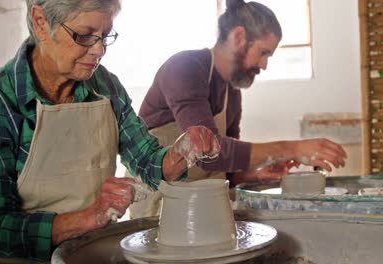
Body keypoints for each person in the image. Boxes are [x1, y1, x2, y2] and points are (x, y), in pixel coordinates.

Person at [0, 0, 220, 261]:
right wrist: (89, 217)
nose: (99, 49)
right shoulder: (4, 101)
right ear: (41, 22)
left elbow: (148, 163)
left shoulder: (106, 86)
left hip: (94, 253)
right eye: (84, 36)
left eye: (105, 36)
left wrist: (183, 152)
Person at [129, 0, 347, 219]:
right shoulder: (185, 68)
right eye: (263, 53)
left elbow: (224, 170)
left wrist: (253, 174)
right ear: (239, 37)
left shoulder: (232, 94)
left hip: (203, 204)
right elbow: (208, 152)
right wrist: (293, 148)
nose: (264, 65)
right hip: (159, 206)